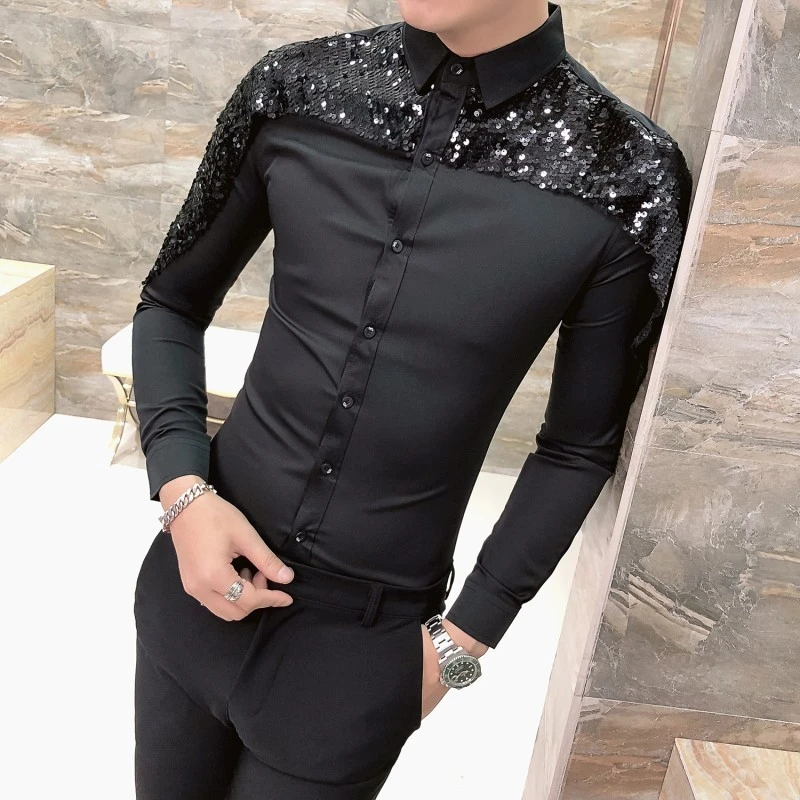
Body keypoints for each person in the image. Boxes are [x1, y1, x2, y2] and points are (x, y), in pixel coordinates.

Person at [130, 0, 693, 797]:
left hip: (361, 663)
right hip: (187, 591)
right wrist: (182, 492)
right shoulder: (295, 88)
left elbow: (577, 448)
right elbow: (171, 302)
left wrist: (460, 645)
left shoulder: (625, 173)